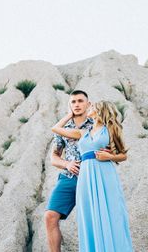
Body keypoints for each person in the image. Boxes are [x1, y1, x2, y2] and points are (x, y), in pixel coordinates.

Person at [51, 100, 133, 252]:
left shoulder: (111, 129)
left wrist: (109, 157)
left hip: (105, 174)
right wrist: (70, 114)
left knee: (110, 212)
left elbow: (123, 155)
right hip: (85, 177)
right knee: (89, 214)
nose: (89, 108)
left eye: (93, 107)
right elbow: (55, 128)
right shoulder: (83, 133)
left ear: (100, 110)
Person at [44, 90, 93, 252]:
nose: (77, 104)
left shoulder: (95, 124)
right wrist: (67, 164)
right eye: (73, 102)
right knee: (50, 217)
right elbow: (54, 157)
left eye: (80, 101)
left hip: (92, 177)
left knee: (93, 219)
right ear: (69, 105)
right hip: (68, 177)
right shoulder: (63, 128)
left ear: (88, 104)